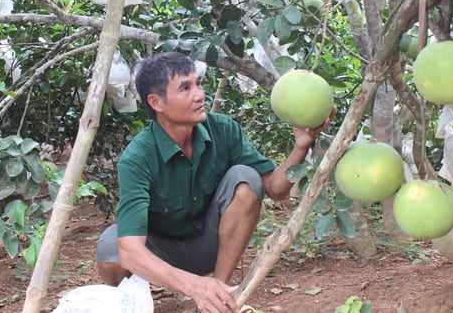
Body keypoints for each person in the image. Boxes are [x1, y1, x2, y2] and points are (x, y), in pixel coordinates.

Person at [96, 52, 334, 313]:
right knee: (112, 247)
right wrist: (194, 286)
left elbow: (275, 189)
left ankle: (218, 295)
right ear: (156, 102)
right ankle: (132, 303)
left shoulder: (223, 129)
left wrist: (301, 148)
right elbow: (130, 251)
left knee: (245, 177)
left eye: (198, 83)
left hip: (211, 245)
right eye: (185, 88)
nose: (199, 95)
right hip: (161, 253)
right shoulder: (138, 157)